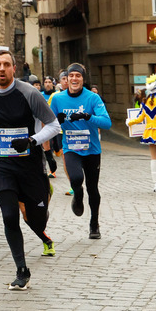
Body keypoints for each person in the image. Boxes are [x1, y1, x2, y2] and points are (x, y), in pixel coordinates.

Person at [0, 49, 62, 289]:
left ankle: (44, 194)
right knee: (9, 215)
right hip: (2, 164)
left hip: (30, 164)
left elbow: (54, 126)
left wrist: (32, 140)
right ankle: (22, 270)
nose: (1, 68)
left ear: (14, 68)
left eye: (6, 64)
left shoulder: (29, 93)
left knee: (37, 221)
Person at [49, 63, 112, 239]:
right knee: (76, 178)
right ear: (66, 79)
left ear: (83, 79)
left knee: (93, 188)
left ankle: (94, 223)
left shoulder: (93, 98)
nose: (74, 79)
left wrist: (87, 116)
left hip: (91, 149)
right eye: (71, 76)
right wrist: (58, 120)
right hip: (71, 147)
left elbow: (107, 123)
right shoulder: (58, 99)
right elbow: (50, 123)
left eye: (78, 76)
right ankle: (77, 194)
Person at [126, 75, 156, 192]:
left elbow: (139, 118)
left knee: (153, 158)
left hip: (150, 131)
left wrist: (129, 122)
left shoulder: (145, 102)